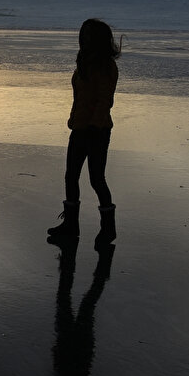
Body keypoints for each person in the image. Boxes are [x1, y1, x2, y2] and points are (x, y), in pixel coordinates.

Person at [47, 18, 121, 248]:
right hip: (79, 128)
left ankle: (108, 228)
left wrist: (94, 126)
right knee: (71, 176)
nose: (84, 39)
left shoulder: (106, 66)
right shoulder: (84, 62)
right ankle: (71, 225)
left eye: (89, 35)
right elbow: (80, 97)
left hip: (97, 131)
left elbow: (104, 100)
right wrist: (74, 120)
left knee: (96, 179)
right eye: (83, 34)